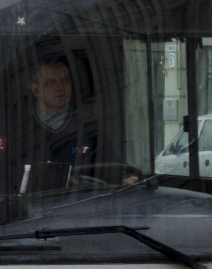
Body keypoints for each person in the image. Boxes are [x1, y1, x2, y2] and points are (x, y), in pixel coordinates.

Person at [14, 56, 137, 192]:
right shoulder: (19, 129)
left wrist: (126, 177)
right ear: (36, 90)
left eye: (65, 80)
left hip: (80, 204)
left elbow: (115, 165)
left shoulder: (88, 126)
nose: (61, 87)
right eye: (51, 82)